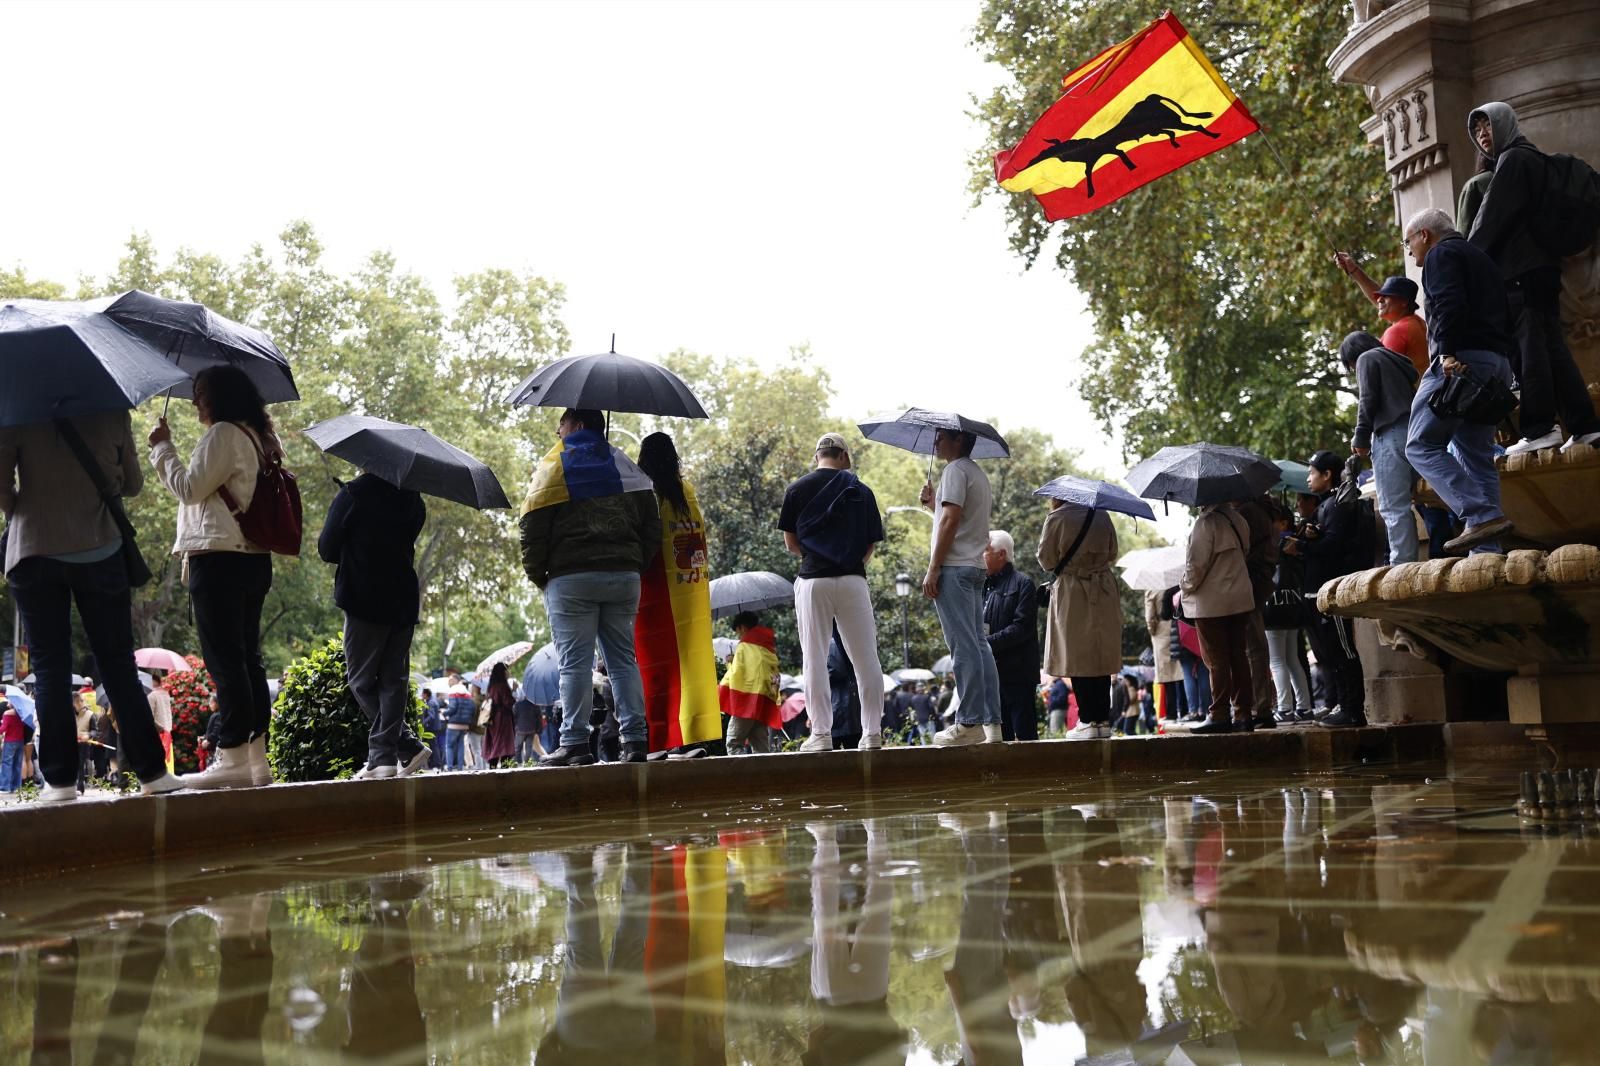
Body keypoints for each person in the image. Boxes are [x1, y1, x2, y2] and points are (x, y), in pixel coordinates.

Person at [2, 409, 181, 801]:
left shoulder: (18, 407)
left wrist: (28, 512)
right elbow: (131, 484)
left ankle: (61, 782)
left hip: (34, 550)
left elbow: (2, 487)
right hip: (100, 548)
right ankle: (153, 773)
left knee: (50, 666)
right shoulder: (109, 407)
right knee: (117, 662)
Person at [149, 365, 280, 790]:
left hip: (220, 559)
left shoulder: (224, 433)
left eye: (200, 393)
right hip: (251, 560)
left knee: (226, 662)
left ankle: (232, 757)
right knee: (247, 660)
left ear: (220, 397)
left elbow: (189, 488)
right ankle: (256, 760)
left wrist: (162, 448)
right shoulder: (259, 438)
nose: (194, 401)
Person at [520, 408, 658, 767]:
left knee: (574, 666)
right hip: (624, 577)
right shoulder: (627, 467)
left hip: (571, 578)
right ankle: (636, 742)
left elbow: (533, 527)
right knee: (623, 662)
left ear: (577, 426)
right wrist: (633, 563)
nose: (558, 431)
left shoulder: (555, 466)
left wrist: (540, 576)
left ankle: (575, 744)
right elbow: (651, 526)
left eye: (561, 425)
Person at [1466, 101, 1600, 455]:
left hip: (1520, 273)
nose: (1482, 135)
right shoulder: (1532, 158)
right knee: (1553, 350)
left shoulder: (1514, 160)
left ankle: (1539, 427)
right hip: (1541, 271)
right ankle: (1584, 426)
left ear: (1505, 124)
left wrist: (1462, 262)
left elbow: (1491, 220)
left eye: (1488, 126)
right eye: (1477, 130)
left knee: (1529, 352)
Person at [1400, 207, 1517, 554]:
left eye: (1408, 242)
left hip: (1460, 363)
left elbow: (1450, 304)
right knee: (1476, 455)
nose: (1409, 250)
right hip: (1496, 364)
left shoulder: (1441, 254)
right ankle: (1487, 551)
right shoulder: (1480, 257)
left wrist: (1448, 353)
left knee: (1419, 445)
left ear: (1424, 235)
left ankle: (1480, 515)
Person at [316, 463, 431, 780]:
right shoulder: (413, 500)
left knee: (361, 679)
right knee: (393, 681)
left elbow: (326, 549)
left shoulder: (353, 493)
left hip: (364, 597)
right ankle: (388, 757)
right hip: (403, 599)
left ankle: (399, 750)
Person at [778, 432, 886, 753]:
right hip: (853, 580)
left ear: (817, 457)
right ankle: (872, 733)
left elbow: (791, 543)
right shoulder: (861, 491)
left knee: (814, 658)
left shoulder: (796, 490)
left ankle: (822, 734)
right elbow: (870, 544)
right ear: (843, 456)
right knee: (865, 658)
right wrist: (850, 562)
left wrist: (817, 559)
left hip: (814, 581)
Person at [633, 432, 721, 757]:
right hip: (690, 592)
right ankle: (687, 740)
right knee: (688, 667)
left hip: (652, 593)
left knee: (655, 669)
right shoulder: (686, 494)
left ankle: (658, 743)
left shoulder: (644, 492)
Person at [922, 428, 1001, 747]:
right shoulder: (977, 474)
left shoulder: (954, 470)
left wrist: (934, 566)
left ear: (958, 440)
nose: (936, 442)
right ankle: (992, 723)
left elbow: (951, 521)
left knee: (963, 645)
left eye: (941, 437)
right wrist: (933, 505)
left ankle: (968, 722)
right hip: (974, 566)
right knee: (979, 644)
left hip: (953, 568)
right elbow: (954, 518)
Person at [1284, 452, 1367, 727]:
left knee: (1343, 650)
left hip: (1333, 592)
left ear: (1327, 474)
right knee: (1330, 653)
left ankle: (1353, 711)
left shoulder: (1338, 504)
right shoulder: (1326, 506)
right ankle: (1343, 706)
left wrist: (1303, 546)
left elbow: (1334, 547)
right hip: (1318, 592)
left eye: (1312, 473)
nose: (1308, 478)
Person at [1037, 500, 1119, 741]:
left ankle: (1087, 720)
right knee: (1101, 651)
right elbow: (1112, 553)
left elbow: (1046, 560)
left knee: (1077, 653)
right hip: (1103, 588)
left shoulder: (1057, 517)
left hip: (1072, 590)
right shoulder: (1102, 516)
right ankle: (1103, 719)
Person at [1341, 331, 1420, 564]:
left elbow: (1367, 399)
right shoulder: (1397, 362)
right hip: (1414, 431)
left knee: (1393, 507)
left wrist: (1361, 438)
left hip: (1389, 434)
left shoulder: (1366, 359)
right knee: (1421, 500)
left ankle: (1403, 566)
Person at [1180, 501, 1256, 734]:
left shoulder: (1205, 524)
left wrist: (1183, 586)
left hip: (1212, 602)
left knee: (1216, 659)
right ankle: (1243, 714)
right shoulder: (1238, 520)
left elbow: (1195, 566)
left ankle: (1219, 713)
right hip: (1240, 597)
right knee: (1238, 656)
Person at [980, 530, 1039, 741]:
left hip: (1019, 673)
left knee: (1026, 735)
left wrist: (985, 644)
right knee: (999, 740)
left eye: (985, 550)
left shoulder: (1023, 584)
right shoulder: (983, 587)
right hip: (992, 674)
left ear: (1001, 554)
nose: (980, 554)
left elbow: (1021, 628)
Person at [1332, 254, 1430, 378]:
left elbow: (1382, 378)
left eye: (1386, 296)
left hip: (1410, 396)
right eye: (1379, 297)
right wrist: (1354, 270)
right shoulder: (1415, 322)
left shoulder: (1397, 331)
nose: (1379, 300)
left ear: (1404, 302)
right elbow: (1381, 299)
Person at [1234, 492, 1281, 729]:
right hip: (1261, 580)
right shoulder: (1264, 511)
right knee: (1256, 647)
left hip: (1249, 582)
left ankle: (1259, 708)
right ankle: (1260, 707)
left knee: (1253, 647)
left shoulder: (1246, 512)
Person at [719, 611, 782, 754]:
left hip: (746, 701)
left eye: (738, 632)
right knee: (761, 747)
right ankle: (765, 776)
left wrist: (730, 663)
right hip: (764, 702)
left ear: (742, 627)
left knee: (733, 742)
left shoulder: (744, 646)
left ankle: (742, 776)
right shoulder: (768, 647)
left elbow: (737, 674)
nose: (739, 636)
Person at [1142, 591, 1184, 725]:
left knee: (1166, 675)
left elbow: (1150, 616)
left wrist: (1152, 631)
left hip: (1161, 630)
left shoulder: (1151, 588)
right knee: (1181, 672)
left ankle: (1171, 713)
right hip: (1179, 625)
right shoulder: (1176, 579)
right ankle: (1185, 710)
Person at [481, 662, 517, 767]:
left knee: (495, 743)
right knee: (504, 745)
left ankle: (492, 768)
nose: (508, 672)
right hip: (503, 719)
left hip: (492, 718)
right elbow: (508, 702)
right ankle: (505, 771)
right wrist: (513, 691)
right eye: (507, 670)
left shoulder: (491, 686)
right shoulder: (503, 686)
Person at [443, 679, 475, 770]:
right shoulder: (468, 695)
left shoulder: (453, 692)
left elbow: (452, 708)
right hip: (465, 725)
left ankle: (449, 767)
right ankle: (460, 767)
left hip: (453, 724)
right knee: (461, 745)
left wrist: (444, 713)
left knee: (449, 746)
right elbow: (473, 708)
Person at [147, 676, 174, 774]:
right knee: (168, 758)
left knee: (159, 759)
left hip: (158, 731)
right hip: (168, 730)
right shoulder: (165, 693)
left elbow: (149, 715)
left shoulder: (151, 696)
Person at [1, 699, 25, 792]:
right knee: (17, 764)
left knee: (7, 763)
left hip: (10, 741)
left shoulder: (7, 714)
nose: (7, 704)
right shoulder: (22, 713)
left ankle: (5, 787)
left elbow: (3, 729)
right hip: (20, 740)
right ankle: (16, 787)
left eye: (9, 702)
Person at [512, 695, 543, 763]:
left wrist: (515, 727)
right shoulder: (535, 705)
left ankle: (518, 763)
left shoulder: (518, 704)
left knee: (518, 748)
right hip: (531, 730)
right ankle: (526, 763)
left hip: (520, 730)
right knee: (528, 748)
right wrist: (538, 730)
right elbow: (539, 718)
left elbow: (514, 717)